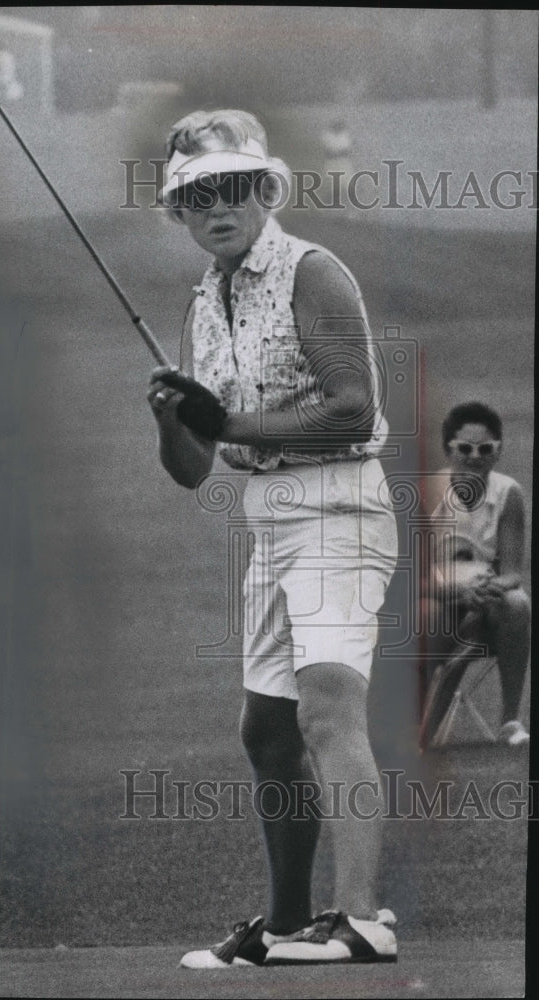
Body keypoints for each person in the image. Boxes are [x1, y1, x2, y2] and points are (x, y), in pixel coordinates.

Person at [146, 110, 399, 966]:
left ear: (263, 189)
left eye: (232, 187)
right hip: (269, 516)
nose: (216, 206)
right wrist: (175, 422)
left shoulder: (312, 272)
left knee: (329, 708)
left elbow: (352, 406)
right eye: (196, 195)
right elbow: (193, 468)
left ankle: (362, 918)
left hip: (337, 506)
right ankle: (287, 926)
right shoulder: (203, 303)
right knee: (267, 731)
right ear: (180, 211)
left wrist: (231, 418)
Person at [418, 402, 530, 749]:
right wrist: (454, 594)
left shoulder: (507, 493)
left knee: (517, 604)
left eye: (485, 449)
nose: (475, 456)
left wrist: (485, 592)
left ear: (498, 451)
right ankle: (416, 721)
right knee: (427, 614)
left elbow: (513, 572)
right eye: (465, 448)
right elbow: (410, 577)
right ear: (448, 449)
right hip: (440, 596)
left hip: (487, 596)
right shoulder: (425, 494)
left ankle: (510, 719)